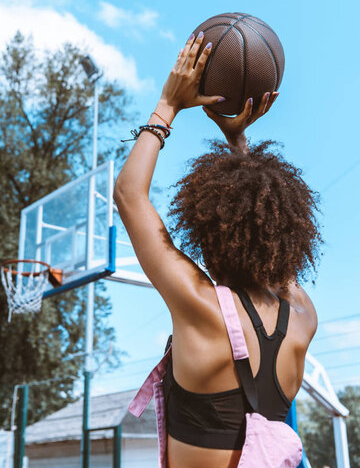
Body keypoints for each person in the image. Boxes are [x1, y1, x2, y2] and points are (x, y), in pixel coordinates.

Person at [114, 32, 321, 468]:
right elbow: (266, 236)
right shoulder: (302, 314)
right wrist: (239, 144)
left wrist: (167, 104)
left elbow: (130, 195)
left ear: (210, 234)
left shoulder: (201, 307)